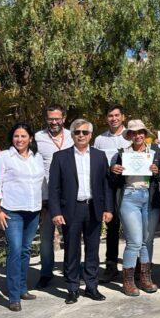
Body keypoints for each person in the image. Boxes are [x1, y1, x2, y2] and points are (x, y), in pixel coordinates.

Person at [48, 118, 114, 304]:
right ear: (72, 135)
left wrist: (108, 208)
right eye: (77, 132)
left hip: (93, 208)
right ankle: (72, 288)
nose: (81, 135)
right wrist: (55, 212)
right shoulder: (60, 157)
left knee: (93, 250)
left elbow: (106, 185)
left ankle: (91, 287)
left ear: (91, 135)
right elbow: (54, 188)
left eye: (85, 132)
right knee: (71, 250)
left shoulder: (100, 156)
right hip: (71, 209)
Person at [0, 123, 44, 312]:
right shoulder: (3, 157)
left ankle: (22, 289)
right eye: (16, 136)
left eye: (23, 136)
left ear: (31, 138)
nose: (19, 140)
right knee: (15, 251)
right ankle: (13, 297)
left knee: (26, 250)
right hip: (11, 212)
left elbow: (41, 184)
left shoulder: (37, 158)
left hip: (33, 211)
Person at [109, 120, 160, 296]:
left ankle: (145, 278)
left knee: (147, 241)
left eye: (141, 132)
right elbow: (112, 181)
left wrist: (157, 172)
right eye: (134, 133)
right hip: (130, 197)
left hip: (150, 198)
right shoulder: (121, 154)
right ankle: (128, 281)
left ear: (145, 134)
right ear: (129, 136)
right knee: (134, 240)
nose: (138, 136)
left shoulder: (155, 153)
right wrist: (114, 171)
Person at [34, 105, 73, 289]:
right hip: (46, 195)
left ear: (63, 118)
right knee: (46, 238)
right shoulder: (38, 138)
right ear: (46, 119)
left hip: (69, 195)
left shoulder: (73, 135)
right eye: (51, 118)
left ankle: (70, 270)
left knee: (70, 236)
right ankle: (46, 273)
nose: (54, 122)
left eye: (57, 118)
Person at [93, 105, 132, 283]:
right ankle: (110, 266)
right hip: (110, 186)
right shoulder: (100, 140)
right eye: (110, 116)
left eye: (117, 115)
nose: (114, 118)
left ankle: (135, 267)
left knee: (132, 228)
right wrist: (109, 168)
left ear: (123, 117)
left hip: (129, 186)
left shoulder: (131, 136)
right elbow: (95, 163)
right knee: (112, 227)